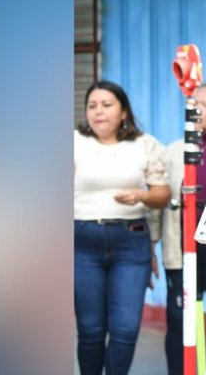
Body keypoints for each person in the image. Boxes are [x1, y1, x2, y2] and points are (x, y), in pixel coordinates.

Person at [74, 80, 172, 375]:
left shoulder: (145, 145)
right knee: (90, 330)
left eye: (106, 105)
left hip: (131, 243)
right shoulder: (74, 141)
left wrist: (141, 195)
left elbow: (163, 194)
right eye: (92, 106)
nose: (98, 111)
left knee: (125, 330)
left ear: (123, 111)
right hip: (82, 242)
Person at [155, 82, 206, 374]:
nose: (196, 110)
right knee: (178, 317)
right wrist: (150, 243)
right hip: (182, 246)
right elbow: (159, 200)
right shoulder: (173, 151)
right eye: (192, 103)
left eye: (205, 104)